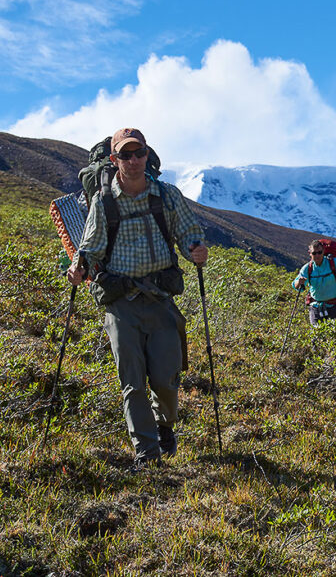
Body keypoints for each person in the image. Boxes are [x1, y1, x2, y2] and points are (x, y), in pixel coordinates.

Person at [67, 128, 208, 468]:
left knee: (167, 380)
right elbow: (91, 244)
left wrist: (195, 249)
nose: (133, 160)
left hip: (160, 298)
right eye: (126, 155)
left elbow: (188, 230)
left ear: (148, 155)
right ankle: (147, 454)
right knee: (132, 381)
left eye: (139, 153)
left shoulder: (167, 195)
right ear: (114, 160)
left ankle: (164, 427)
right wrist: (79, 266)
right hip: (121, 303)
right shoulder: (104, 201)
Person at [292, 239, 336, 325]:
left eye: (319, 252)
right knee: (317, 335)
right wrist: (299, 282)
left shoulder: (334, 263)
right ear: (310, 253)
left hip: (334, 306)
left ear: (323, 251)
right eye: (314, 253)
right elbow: (296, 285)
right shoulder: (307, 268)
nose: (317, 255)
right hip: (315, 307)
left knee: (335, 335)